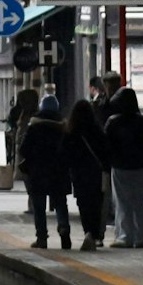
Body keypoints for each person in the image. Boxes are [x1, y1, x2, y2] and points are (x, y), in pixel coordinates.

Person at [19, 93, 71, 249]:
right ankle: (64, 230)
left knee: (39, 206)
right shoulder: (63, 127)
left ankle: (42, 237)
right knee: (60, 202)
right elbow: (69, 150)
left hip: (38, 172)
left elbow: (24, 149)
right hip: (58, 172)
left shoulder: (34, 127)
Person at [104, 87, 143, 249]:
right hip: (141, 165)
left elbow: (106, 144)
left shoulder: (113, 122)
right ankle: (141, 236)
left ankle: (124, 236)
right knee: (139, 201)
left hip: (120, 165)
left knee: (122, 201)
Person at [64, 97, 109, 251]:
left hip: (78, 174)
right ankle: (96, 235)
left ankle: (88, 232)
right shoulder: (97, 130)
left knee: (83, 204)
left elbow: (65, 153)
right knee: (97, 203)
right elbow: (105, 151)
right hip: (95, 172)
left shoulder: (71, 132)